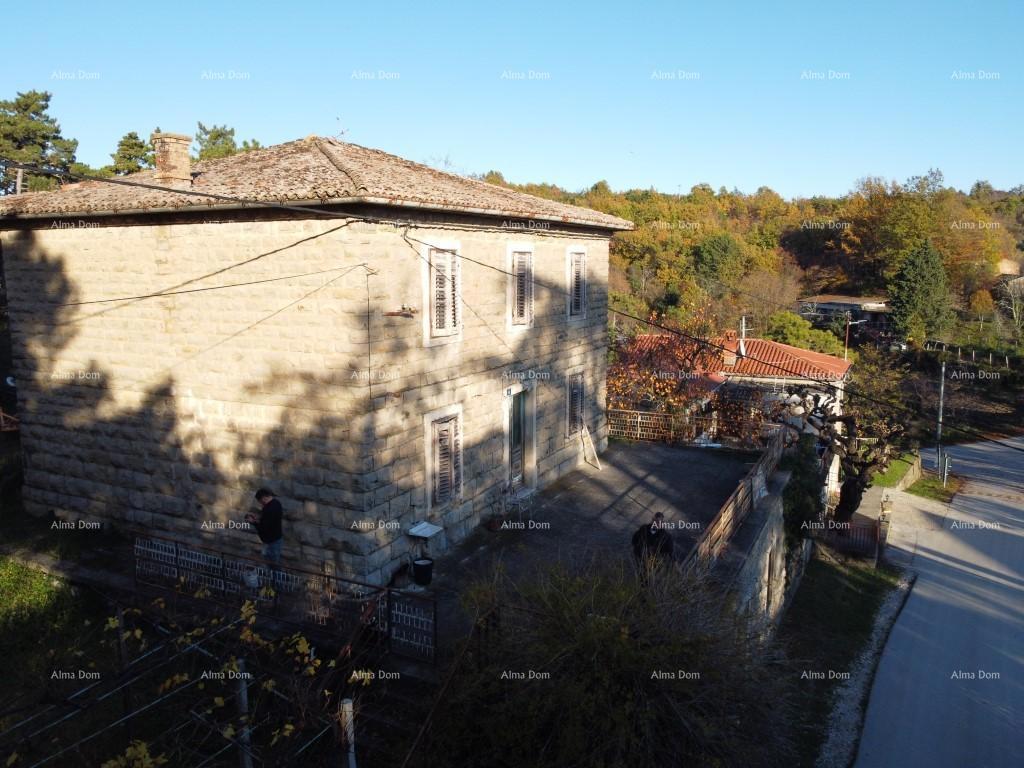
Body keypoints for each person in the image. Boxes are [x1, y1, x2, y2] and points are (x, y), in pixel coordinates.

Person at [246, 488, 284, 565]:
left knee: (273, 565)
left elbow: (264, 528)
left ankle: (275, 577)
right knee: (272, 563)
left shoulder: (270, 508)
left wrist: (253, 522)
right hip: (273, 540)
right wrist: (258, 518)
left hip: (272, 542)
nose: (261, 503)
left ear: (264, 498)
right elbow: (268, 520)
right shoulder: (276, 503)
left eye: (260, 501)